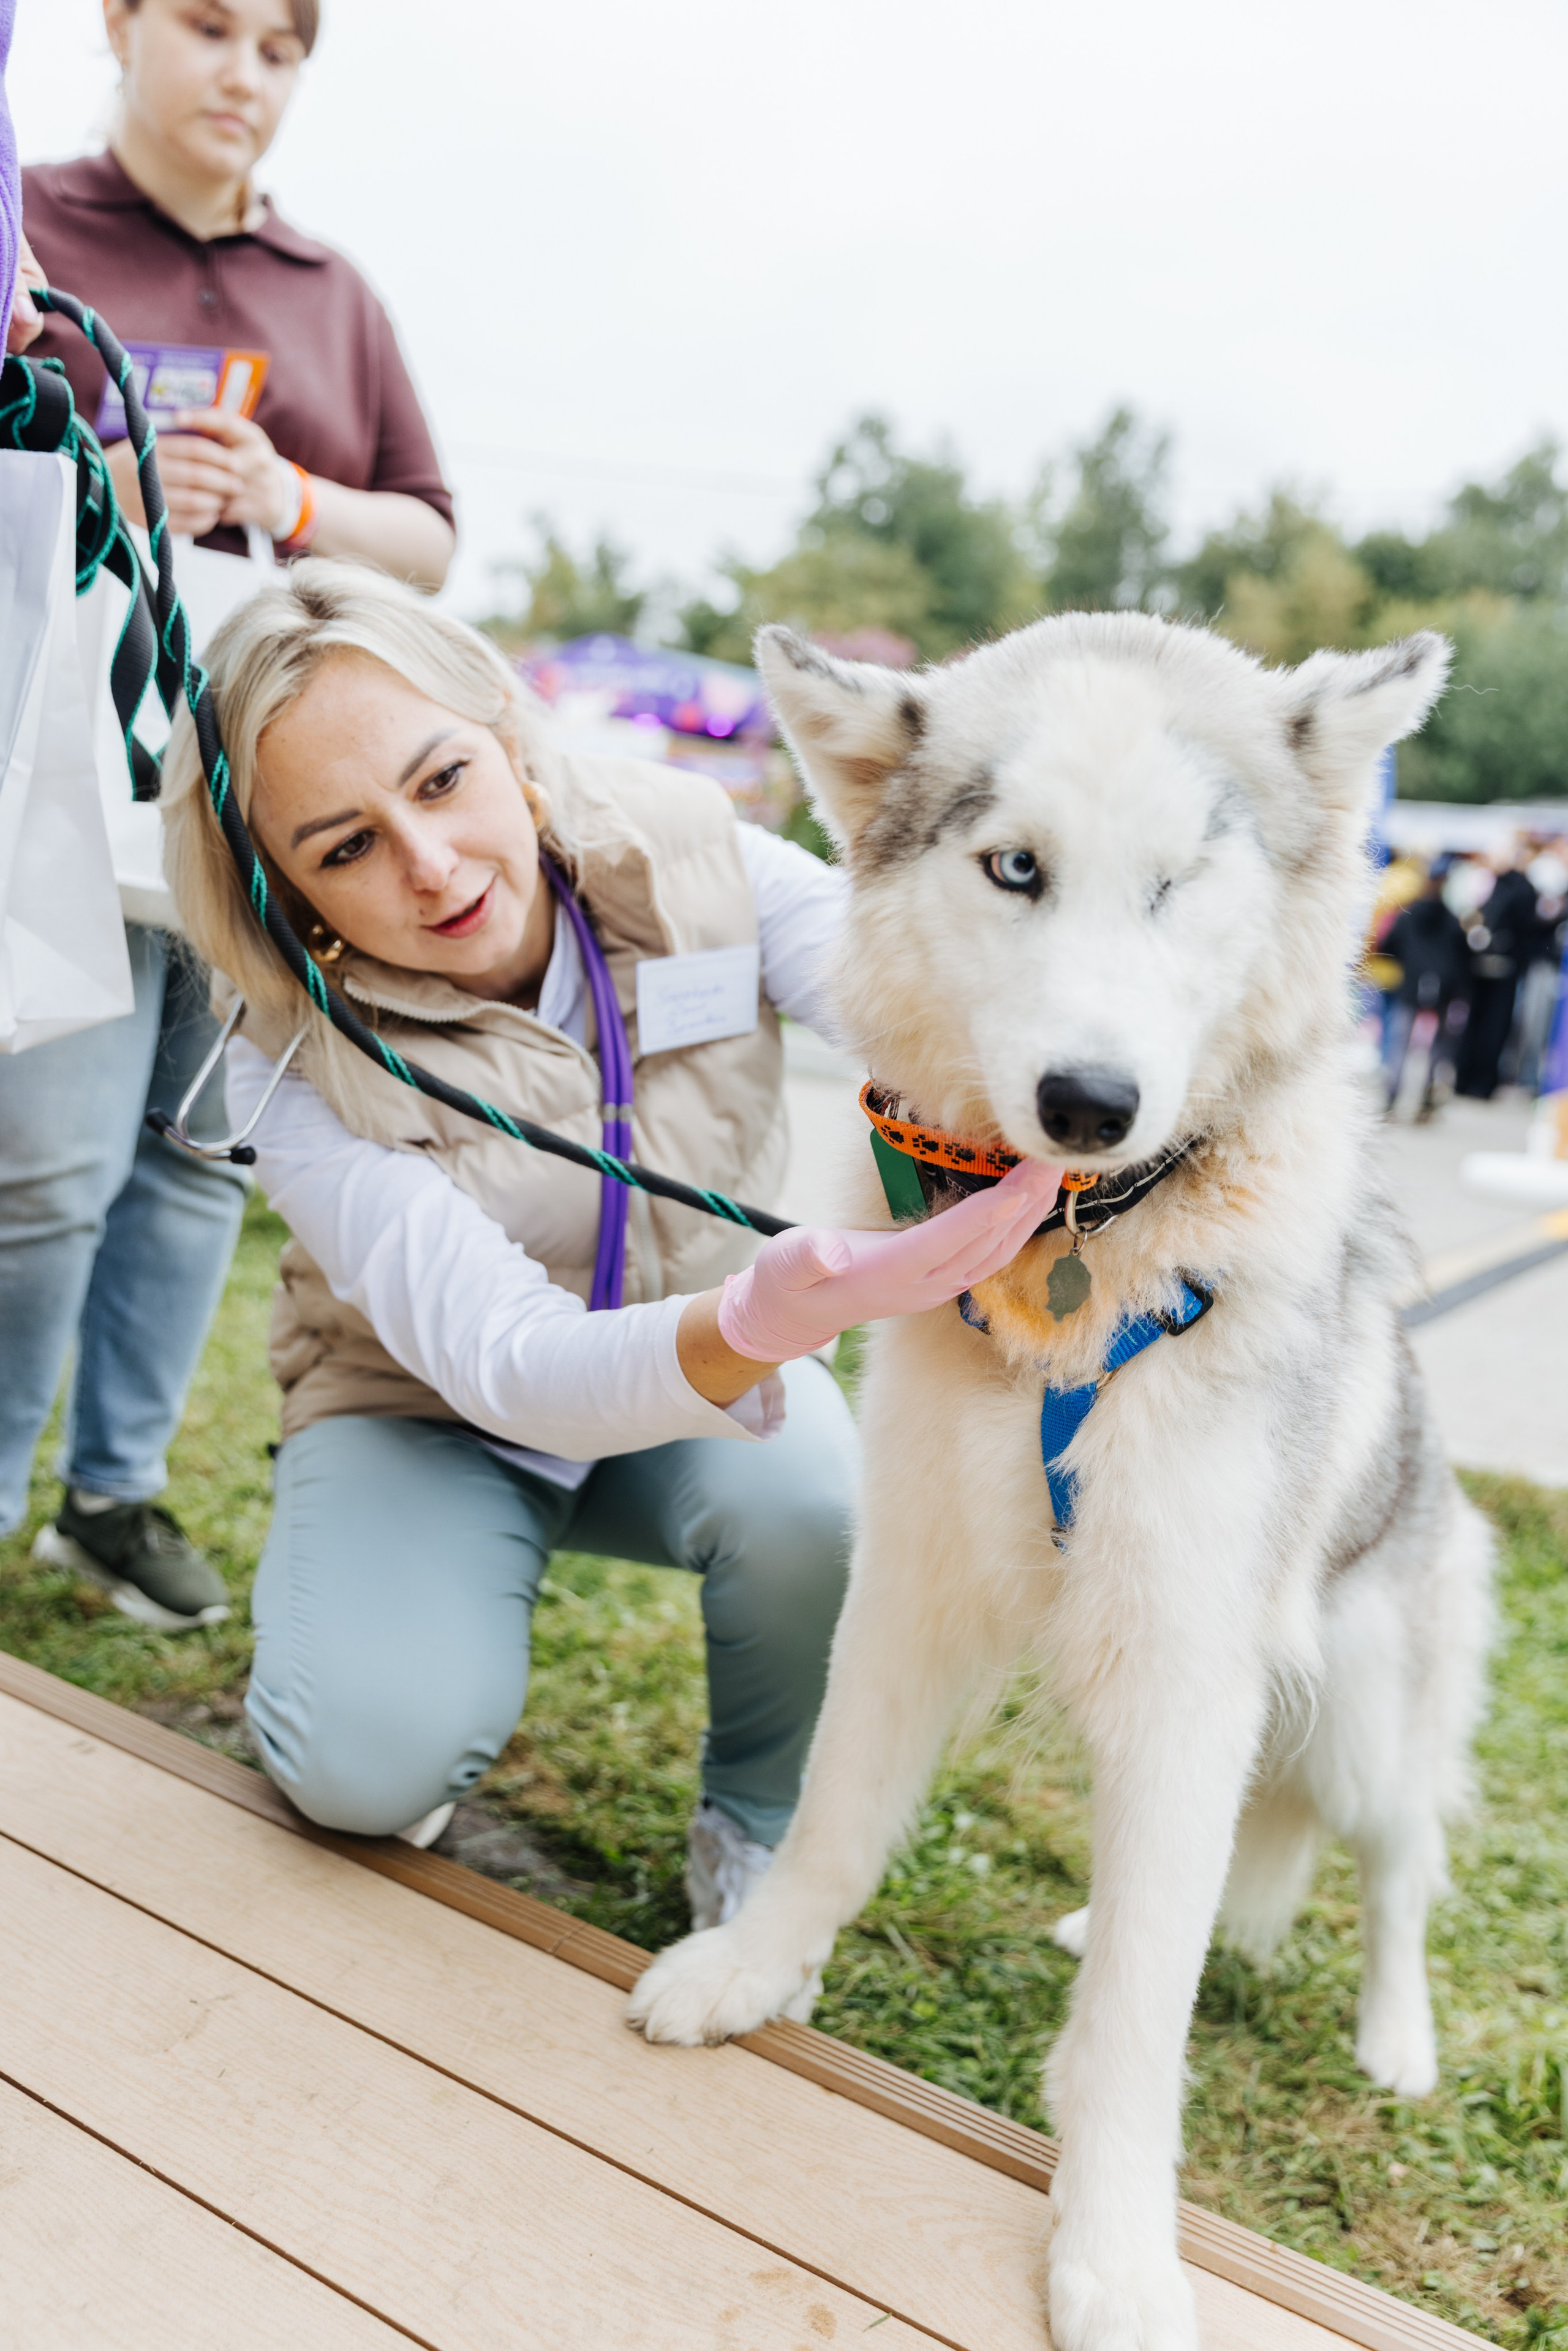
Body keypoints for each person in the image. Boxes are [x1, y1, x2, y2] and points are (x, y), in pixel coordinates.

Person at [159, 561, 1058, 1916]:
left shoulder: (697, 854)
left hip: (698, 1395)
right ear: (288, 896)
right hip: (427, 1411)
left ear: (509, 741)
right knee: (362, 1771)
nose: (431, 861)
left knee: (828, 1498)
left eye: (441, 776)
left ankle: (756, 1817)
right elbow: (507, 1368)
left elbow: (912, 1021)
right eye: (343, 847)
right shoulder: (290, 1065)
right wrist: (767, 1316)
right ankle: (414, 1633)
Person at [0, 0, 454, 1628]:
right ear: (118, 27)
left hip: (258, 809)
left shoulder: (333, 298)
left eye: (281, 47)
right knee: (44, 1162)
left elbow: (431, 536)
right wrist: (89, 488)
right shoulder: (24, 224)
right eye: (208, 27)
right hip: (58, 785)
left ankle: (110, 1497)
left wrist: (293, 499)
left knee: (197, 1159)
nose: (244, 72)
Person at [1379, 859, 1471, 1115]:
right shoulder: (1453, 920)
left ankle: (1392, 1095)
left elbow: (1389, 945)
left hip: (1411, 985)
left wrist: (1409, 963)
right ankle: (1427, 1097)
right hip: (1444, 988)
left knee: (1400, 1042)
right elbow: (1465, 956)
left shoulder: (1408, 915)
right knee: (1439, 1046)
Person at [1454, 848, 1545, 1100]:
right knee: (1491, 1024)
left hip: (1494, 964)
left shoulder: (1507, 887)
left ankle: (1470, 1080)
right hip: (1501, 966)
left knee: (1483, 1023)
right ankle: (1477, 1081)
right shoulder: (1516, 888)